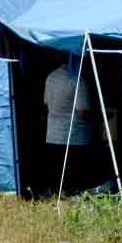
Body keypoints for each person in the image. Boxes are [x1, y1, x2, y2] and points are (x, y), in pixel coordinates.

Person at [43, 61, 93, 195]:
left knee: (57, 179)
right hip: (74, 136)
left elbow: (46, 103)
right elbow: (82, 111)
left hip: (53, 135)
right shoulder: (78, 80)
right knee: (73, 181)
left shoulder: (50, 77)